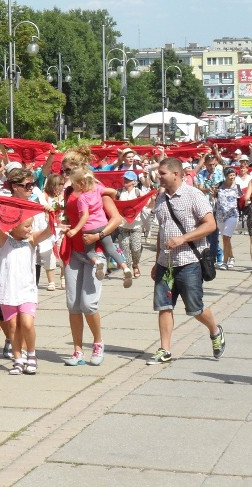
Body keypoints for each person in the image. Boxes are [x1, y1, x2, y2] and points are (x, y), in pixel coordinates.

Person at [149, 157, 226, 365]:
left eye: (162, 173)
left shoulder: (194, 195)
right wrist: (157, 260)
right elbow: (162, 232)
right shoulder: (161, 198)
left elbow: (210, 225)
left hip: (189, 261)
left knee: (194, 308)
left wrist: (183, 238)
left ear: (176, 174)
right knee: (164, 306)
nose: (159, 176)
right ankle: (165, 350)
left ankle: (215, 330)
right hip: (166, 263)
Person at [60, 149, 124, 367]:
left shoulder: (97, 189)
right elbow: (71, 216)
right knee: (73, 304)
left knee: (89, 304)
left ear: (81, 168)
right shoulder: (69, 191)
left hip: (94, 249)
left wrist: (99, 235)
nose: (65, 173)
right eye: (63, 169)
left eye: (69, 169)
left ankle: (97, 342)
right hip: (74, 250)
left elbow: (116, 219)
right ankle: (77, 350)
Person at [0, 212, 53, 375]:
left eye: (31, 226)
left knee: (27, 323)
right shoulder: (4, 239)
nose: (30, 229)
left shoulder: (32, 240)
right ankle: (18, 359)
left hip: (27, 291)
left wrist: (52, 214)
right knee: (12, 326)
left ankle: (32, 355)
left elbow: (49, 231)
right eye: (27, 226)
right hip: (8, 291)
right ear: (14, 226)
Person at [66, 168, 133, 286]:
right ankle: (125, 268)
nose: (72, 185)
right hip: (102, 225)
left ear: (81, 184)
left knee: (89, 252)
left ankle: (97, 263)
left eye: (73, 183)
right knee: (111, 249)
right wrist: (112, 198)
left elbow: (85, 216)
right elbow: (113, 191)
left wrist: (76, 229)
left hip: (89, 228)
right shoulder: (98, 189)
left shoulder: (81, 198)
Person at [115, 170, 151, 281]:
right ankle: (128, 269)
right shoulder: (119, 192)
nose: (125, 181)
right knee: (125, 247)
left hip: (136, 225)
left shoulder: (138, 192)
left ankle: (135, 264)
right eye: (125, 179)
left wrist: (153, 199)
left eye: (128, 179)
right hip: (122, 226)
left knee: (135, 248)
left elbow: (149, 205)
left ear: (134, 182)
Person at [214, 167, 241, 269]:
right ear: (225, 176)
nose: (232, 177)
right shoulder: (220, 185)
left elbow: (242, 199)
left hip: (232, 215)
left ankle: (225, 262)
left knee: (226, 237)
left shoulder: (237, 187)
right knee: (225, 239)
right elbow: (214, 196)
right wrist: (213, 193)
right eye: (230, 175)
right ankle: (232, 257)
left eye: (234, 175)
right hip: (220, 216)